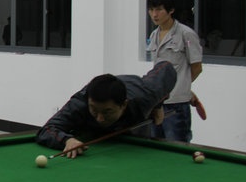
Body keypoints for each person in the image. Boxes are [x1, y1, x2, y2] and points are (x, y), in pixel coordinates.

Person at [36, 61, 177, 157]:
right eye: (94, 110)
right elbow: (47, 129)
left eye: (107, 112)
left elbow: (166, 67)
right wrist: (67, 140)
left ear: (123, 105)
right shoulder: (79, 104)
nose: (100, 118)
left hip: (133, 126)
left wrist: (158, 105)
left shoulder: (146, 95)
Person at [146, 0, 203, 142]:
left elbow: (197, 67)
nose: (154, 14)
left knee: (177, 145)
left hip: (177, 105)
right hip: (157, 103)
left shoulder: (187, 35)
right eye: (151, 10)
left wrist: (183, 87)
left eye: (159, 9)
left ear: (171, 10)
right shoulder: (153, 35)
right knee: (156, 146)